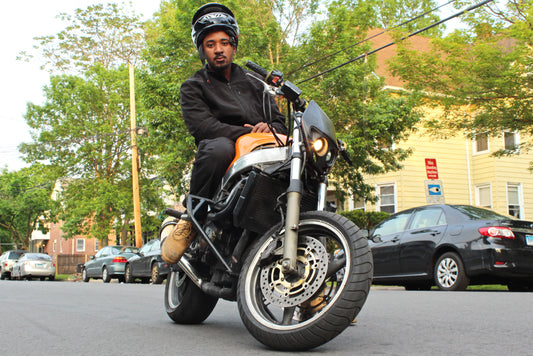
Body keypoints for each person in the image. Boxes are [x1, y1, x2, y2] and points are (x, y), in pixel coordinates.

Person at [161, 3, 287, 264]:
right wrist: (245, 135)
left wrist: (271, 128)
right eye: (210, 44)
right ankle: (192, 217)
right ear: (202, 50)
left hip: (265, 154)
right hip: (225, 158)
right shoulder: (193, 86)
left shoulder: (256, 83)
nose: (218, 49)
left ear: (234, 44)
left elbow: (279, 121)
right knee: (218, 146)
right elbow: (202, 126)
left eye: (224, 42)